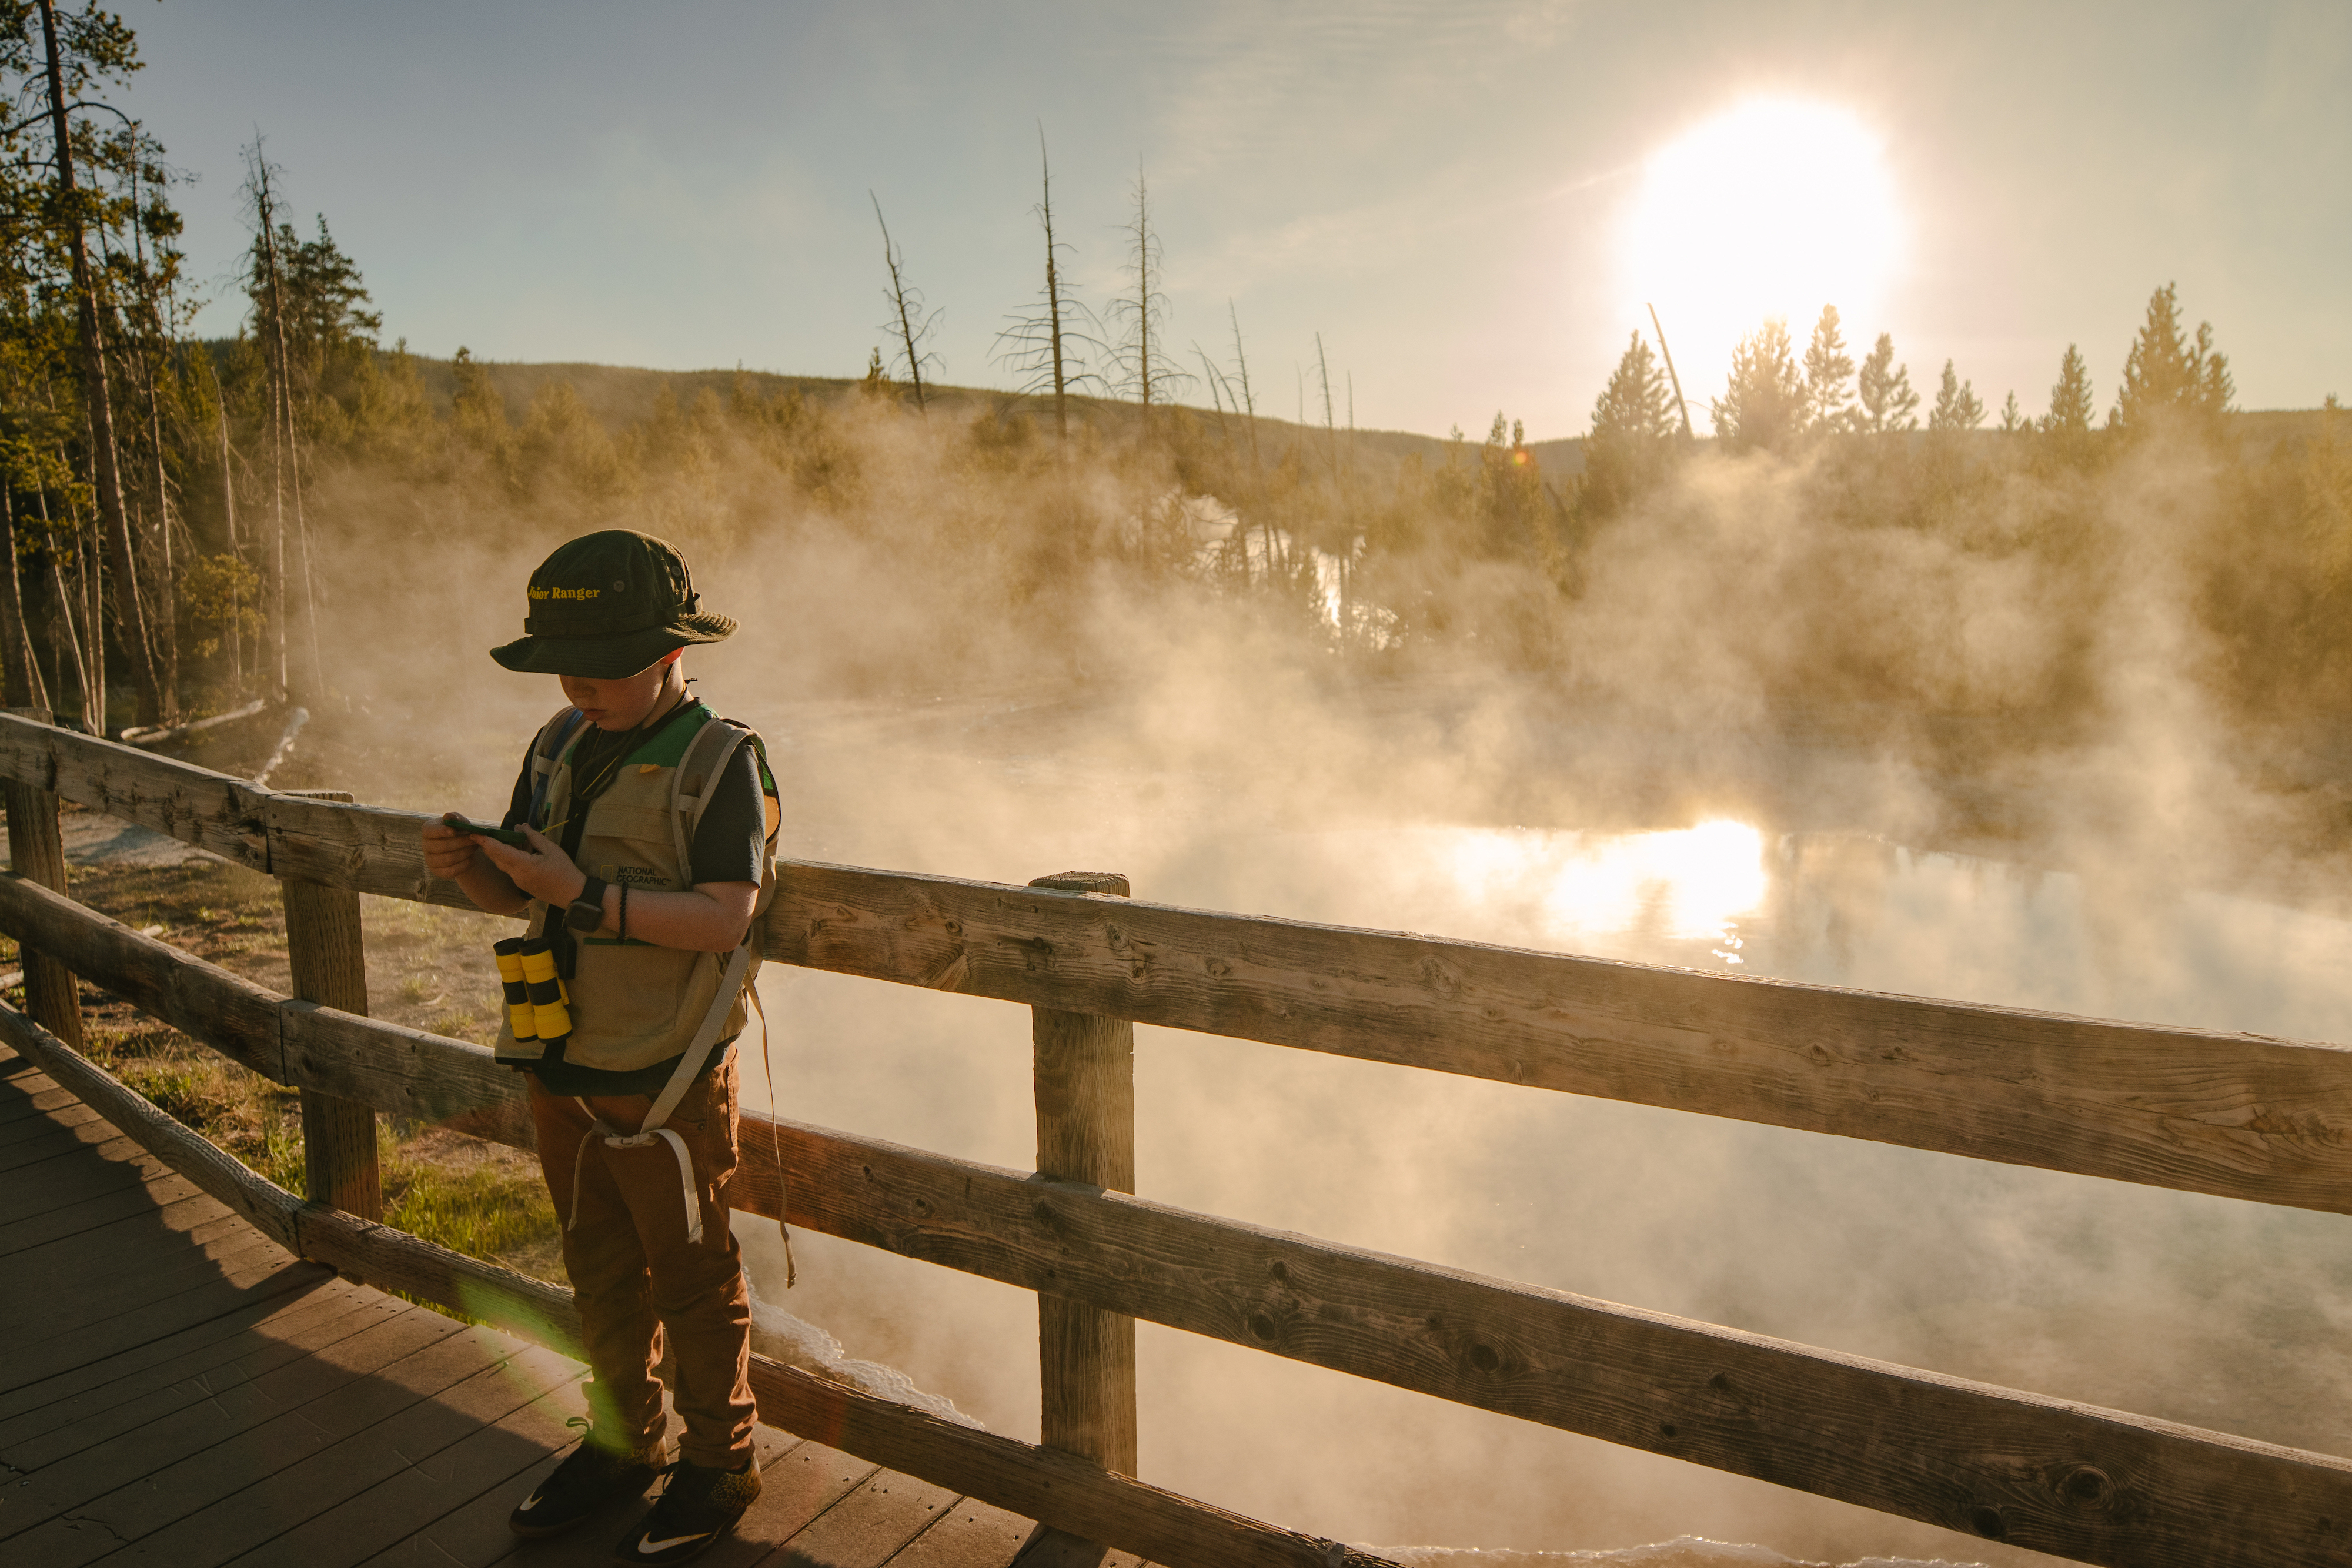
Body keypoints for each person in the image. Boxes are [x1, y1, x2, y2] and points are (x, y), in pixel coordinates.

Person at [421, 529, 779, 1567]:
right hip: (559, 1058)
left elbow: (726, 918)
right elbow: (520, 892)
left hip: (668, 1072)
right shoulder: (558, 743)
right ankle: (624, 1446)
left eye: (604, 661)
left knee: (694, 1276)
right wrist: (468, 869)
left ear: (671, 653)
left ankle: (721, 1464)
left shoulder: (721, 759)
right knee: (598, 1269)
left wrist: (585, 895)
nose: (579, 683)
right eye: (562, 662)